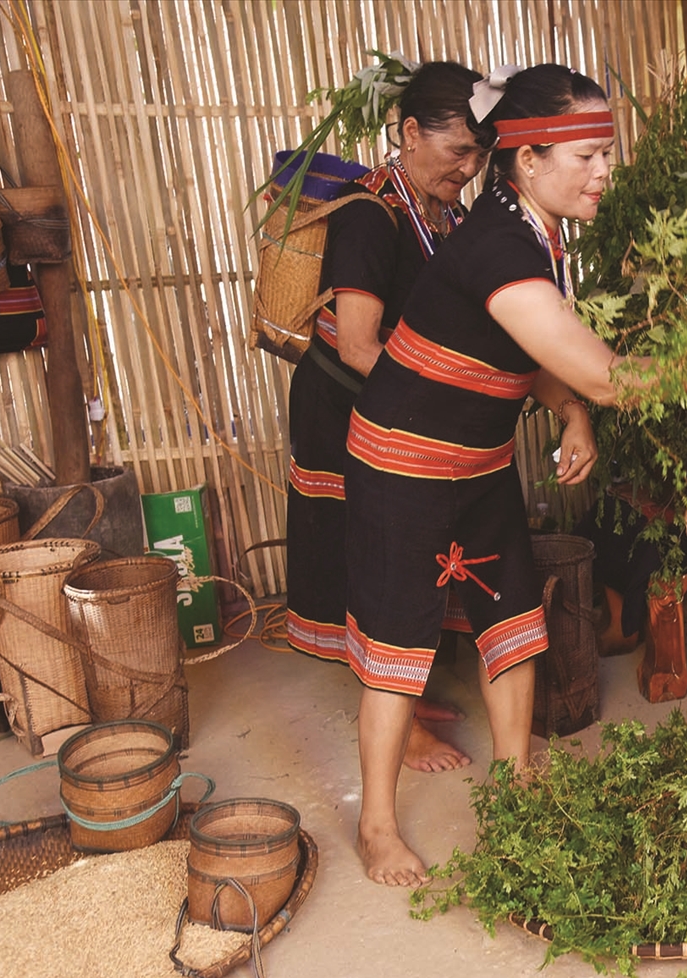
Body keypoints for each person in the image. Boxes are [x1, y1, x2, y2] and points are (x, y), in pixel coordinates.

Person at [345, 63, 634, 886]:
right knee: (400, 640)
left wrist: (574, 414)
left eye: (606, 154)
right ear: (528, 160)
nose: (603, 171)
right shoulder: (501, 244)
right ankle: (374, 825)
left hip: (477, 461)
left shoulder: (528, 226)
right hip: (401, 463)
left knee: (511, 615)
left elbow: (526, 351)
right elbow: (598, 367)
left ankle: (514, 776)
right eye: (586, 155)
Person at [285, 61, 491, 773]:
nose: (468, 168)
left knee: (415, 560)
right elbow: (361, 342)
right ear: (408, 132)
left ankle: (409, 691)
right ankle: (397, 727)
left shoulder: (444, 215)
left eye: (479, 155)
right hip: (348, 409)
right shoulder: (371, 215)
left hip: (405, 411)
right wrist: (455, 394)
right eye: (457, 150)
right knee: (373, 566)